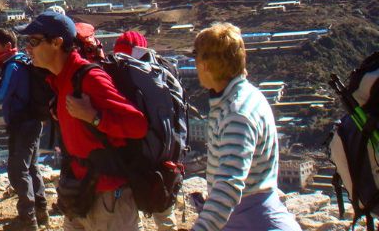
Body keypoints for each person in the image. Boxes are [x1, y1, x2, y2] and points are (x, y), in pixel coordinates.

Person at [16, 11, 148, 231]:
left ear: (57, 42)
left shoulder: (90, 78)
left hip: (108, 201)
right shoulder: (61, 80)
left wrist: (94, 118)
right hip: (79, 192)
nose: (28, 48)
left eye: (34, 41)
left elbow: (137, 125)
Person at [188, 23, 300, 231]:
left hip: (251, 221)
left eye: (196, 57)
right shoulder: (243, 98)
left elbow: (229, 185)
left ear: (205, 64)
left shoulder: (236, 113)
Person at [0, 29, 47, 230]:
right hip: (33, 122)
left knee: (18, 170)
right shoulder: (22, 62)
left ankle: (28, 219)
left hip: (22, 125)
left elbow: (1, 95)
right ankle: (40, 211)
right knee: (31, 167)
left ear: (8, 46)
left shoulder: (13, 67)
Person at [111, 31, 178, 231]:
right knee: (163, 210)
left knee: (130, 212)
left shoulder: (120, 73)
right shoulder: (163, 71)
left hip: (130, 153)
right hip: (162, 153)